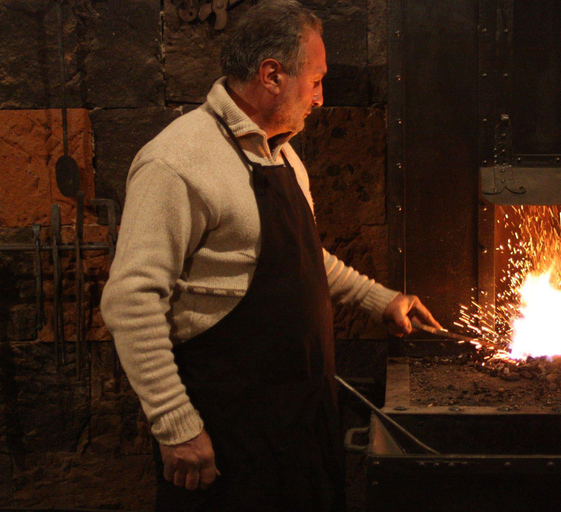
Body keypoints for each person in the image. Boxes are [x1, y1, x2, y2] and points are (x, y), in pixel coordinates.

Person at [100, 1, 441, 510]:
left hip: (299, 425)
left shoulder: (279, 153)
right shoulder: (175, 162)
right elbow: (131, 301)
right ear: (272, 75)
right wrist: (176, 427)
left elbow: (301, 260)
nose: (321, 99)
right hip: (231, 434)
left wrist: (380, 299)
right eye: (317, 81)